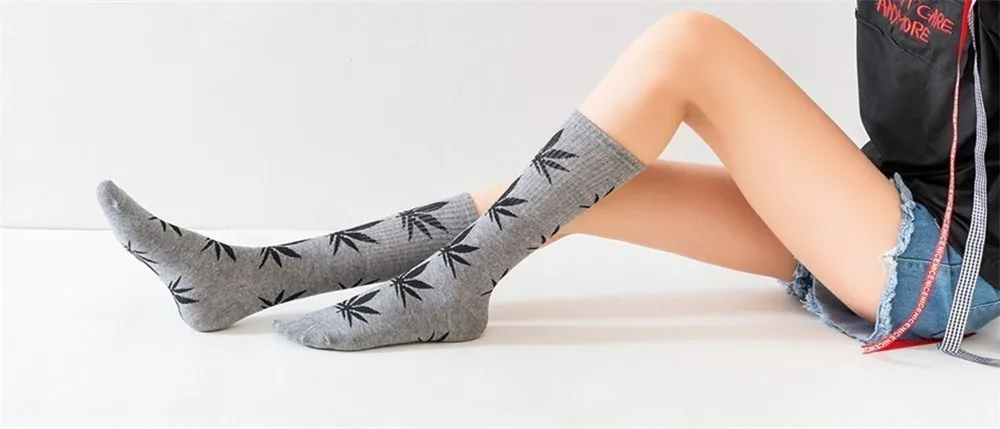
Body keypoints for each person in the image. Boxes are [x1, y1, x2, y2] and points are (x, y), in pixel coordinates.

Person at [96, 1, 999, 364]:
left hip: (947, 269)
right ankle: (251, 276)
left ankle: (451, 289)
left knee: (690, 45)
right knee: (565, 189)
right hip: (883, 208)